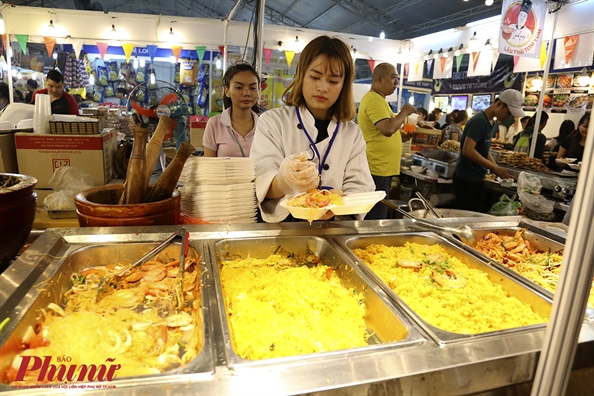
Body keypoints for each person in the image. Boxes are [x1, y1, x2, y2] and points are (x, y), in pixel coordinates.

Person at [250, 35, 375, 223]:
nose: (323, 87)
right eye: (315, 77)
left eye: (333, 81)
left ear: (344, 86)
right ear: (301, 76)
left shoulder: (352, 133)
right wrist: (286, 180)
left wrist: (338, 202)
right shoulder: (273, 121)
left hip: (334, 226)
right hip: (283, 227)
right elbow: (262, 183)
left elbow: (360, 187)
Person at [357, 62, 417, 220]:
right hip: (377, 168)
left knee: (378, 213)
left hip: (382, 168)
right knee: (375, 217)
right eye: (393, 78)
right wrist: (404, 111)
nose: (396, 82)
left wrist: (403, 137)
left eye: (397, 78)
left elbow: (386, 131)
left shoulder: (380, 100)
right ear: (379, 79)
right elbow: (387, 129)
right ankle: (369, 243)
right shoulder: (373, 100)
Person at [453, 89, 522, 213]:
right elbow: (467, 151)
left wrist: (496, 168)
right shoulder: (479, 121)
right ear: (499, 104)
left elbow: (484, 149)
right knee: (465, 216)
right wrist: (494, 168)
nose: (508, 117)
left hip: (476, 177)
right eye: (508, 112)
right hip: (466, 178)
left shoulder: (491, 123)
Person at [203, 62, 260, 157]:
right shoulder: (215, 124)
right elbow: (209, 166)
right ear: (227, 91)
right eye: (239, 87)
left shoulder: (265, 125)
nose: (247, 93)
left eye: (252, 88)